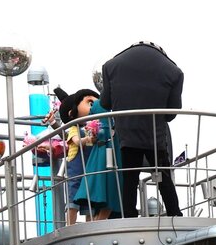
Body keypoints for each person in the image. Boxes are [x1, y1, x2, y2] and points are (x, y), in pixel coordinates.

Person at [101, 42, 184, 218]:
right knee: (163, 175)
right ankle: (174, 212)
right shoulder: (174, 71)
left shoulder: (110, 66)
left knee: (129, 178)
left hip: (127, 133)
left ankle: (128, 214)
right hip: (155, 135)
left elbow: (105, 103)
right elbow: (172, 112)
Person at [58, 88, 121, 221]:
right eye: (91, 103)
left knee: (88, 201)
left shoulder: (91, 127)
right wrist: (87, 139)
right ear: (71, 113)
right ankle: (70, 225)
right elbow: (76, 141)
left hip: (89, 168)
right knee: (73, 201)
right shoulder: (74, 128)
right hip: (76, 172)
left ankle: (89, 224)